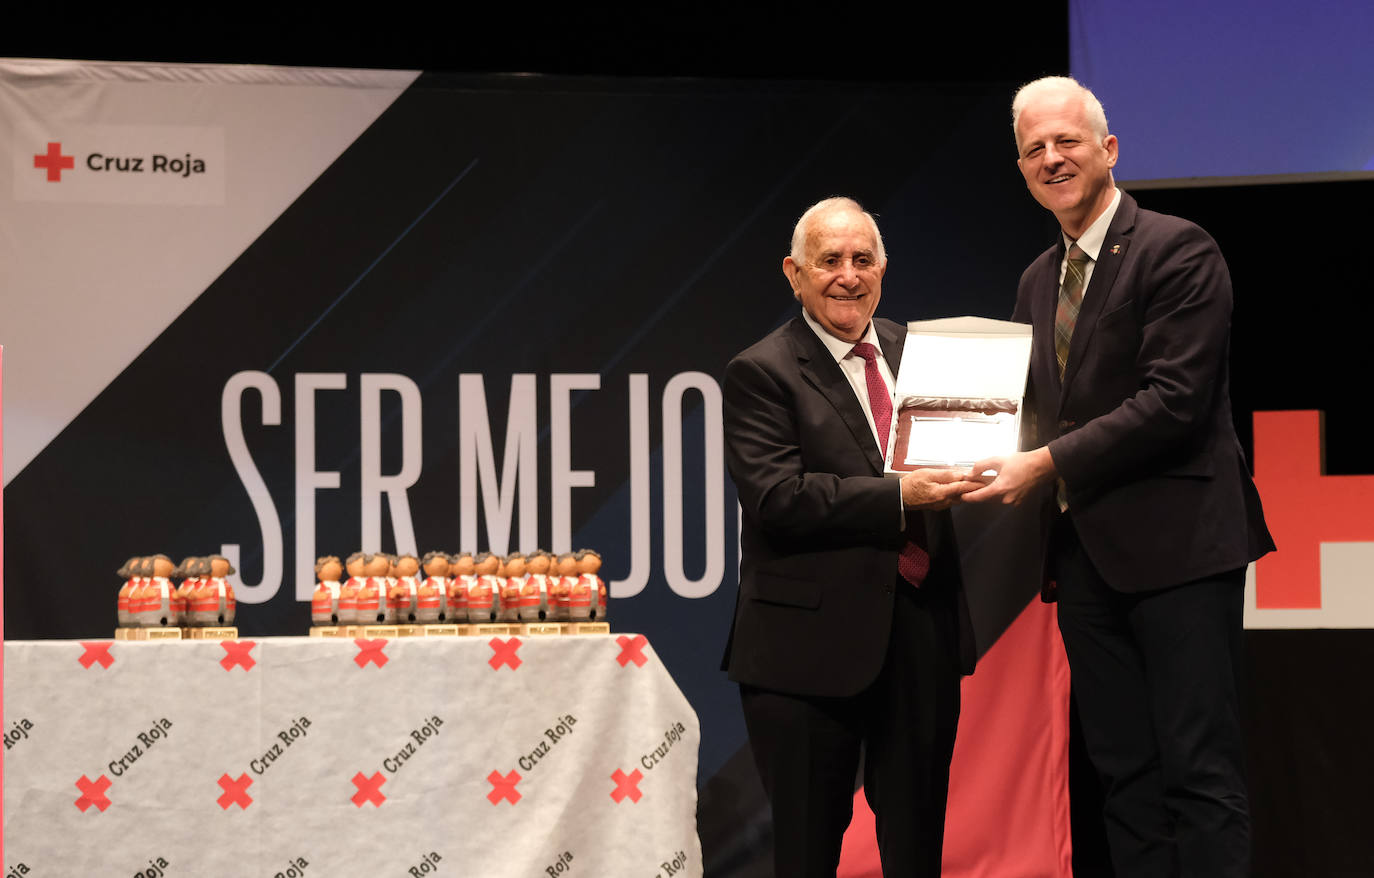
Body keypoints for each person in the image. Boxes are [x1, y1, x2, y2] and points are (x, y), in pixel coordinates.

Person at [962, 76, 1274, 878]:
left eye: (1066, 141)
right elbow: (1039, 409)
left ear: (1109, 149)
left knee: (1199, 773)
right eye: (1034, 149)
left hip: (1181, 554)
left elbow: (1173, 401)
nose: (1051, 158)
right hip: (1085, 559)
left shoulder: (1178, 248)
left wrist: (1043, 462)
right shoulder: (1038, 279)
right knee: (1125, 777)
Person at [721, 196, 981, 877]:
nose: (847, 275)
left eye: (862, 259)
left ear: (884, 270)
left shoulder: (922, 354)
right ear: (794, 273)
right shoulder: (762, 371)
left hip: (919, 631)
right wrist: (900, 495)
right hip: (806, 651)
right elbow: (779, 498)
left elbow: (962, 452)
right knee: (809, 851)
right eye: (829, 260)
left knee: (917, 843)